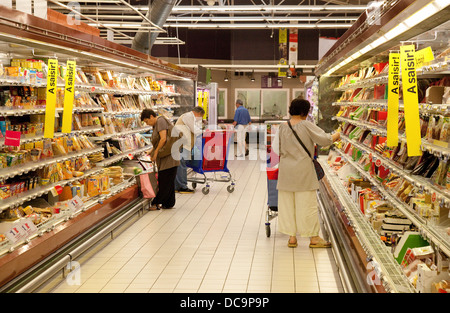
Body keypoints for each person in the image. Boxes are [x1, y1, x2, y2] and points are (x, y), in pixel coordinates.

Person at [272, 98, 340, 248]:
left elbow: (276, 149)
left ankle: (292, 238)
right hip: (303, 171)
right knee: (307, 205)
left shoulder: (282, 127)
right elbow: (324, 140)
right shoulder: (307, 125)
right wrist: (338, 134)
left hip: (286, 172)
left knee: (288, 205)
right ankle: (314, 239)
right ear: (304, 111)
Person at [141, 109, 180, 210]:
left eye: (147, 121)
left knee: (164, 180)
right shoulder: (156, 124)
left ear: (151, 116)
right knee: (169, 180)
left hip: (169, 157)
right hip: (168, 155)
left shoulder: (160, 121)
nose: (147, 124)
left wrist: (156, 153)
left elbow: (163, 139)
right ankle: (169, 203)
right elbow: (158, 141)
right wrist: (151, 151)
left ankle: (156, 203)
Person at [173, 106, 205, 193]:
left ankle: (177, 186)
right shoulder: (188, 116)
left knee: (181, 165)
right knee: (181, 166)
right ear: (198, 114)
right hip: (182, 145)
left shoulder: (190, 118)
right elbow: (195, 130)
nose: (200, 119)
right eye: (201, 117)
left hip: (184, 145)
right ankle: (182, 187)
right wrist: (205, 131)